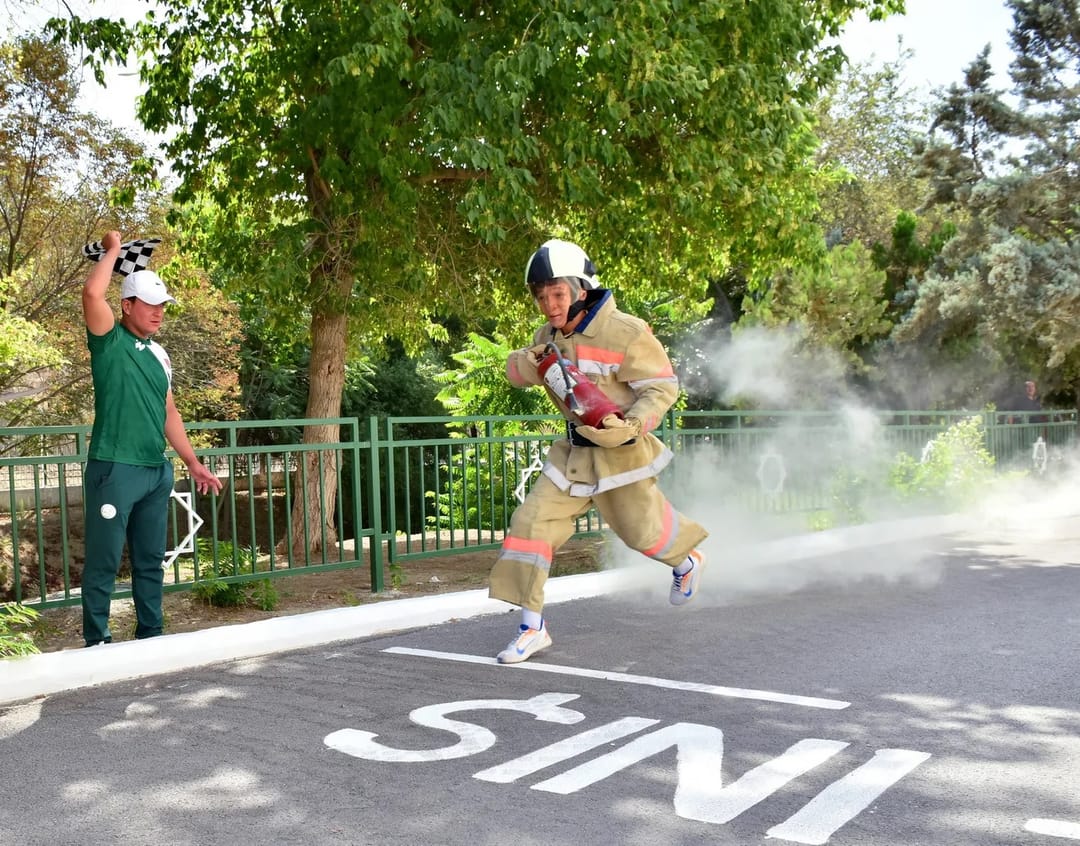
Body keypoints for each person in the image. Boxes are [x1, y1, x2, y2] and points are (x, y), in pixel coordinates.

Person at [488, 238, 709, 664]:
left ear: (581, 289)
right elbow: (521, 374)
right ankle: (531, 628)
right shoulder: (546, 336)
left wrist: (633, 426)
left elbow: (662, 387)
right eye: (541, 296)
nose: (549, 305)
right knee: (529, 525)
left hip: (622, 455)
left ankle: (687, 561)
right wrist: (526, 361)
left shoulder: (626, 331)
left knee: (642, 534)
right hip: (572, 458)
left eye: (557, 294)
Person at [80, 230, 223, 647]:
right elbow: (92, 294)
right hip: (115, 468)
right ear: (127, 305)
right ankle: (97, 642)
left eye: (162, 305)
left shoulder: (160, 354)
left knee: (150, 562)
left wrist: (193, 462)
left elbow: (169, 413)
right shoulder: (109, 341)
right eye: (150, 304)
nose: (159, 312)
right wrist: (113, 250)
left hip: (155, 472)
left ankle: (152, 636)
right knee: (104, 562)